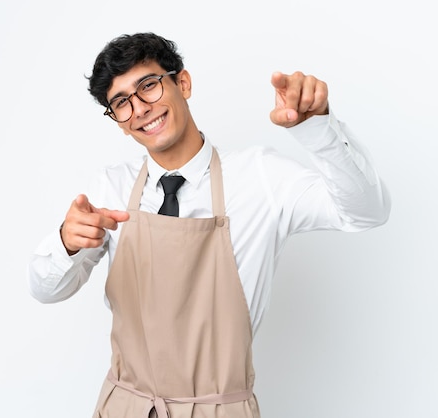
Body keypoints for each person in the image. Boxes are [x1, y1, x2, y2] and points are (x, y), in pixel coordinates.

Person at [27, 32, 390, 418]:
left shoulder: (259, 177)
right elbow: (46, 290)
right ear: (118, 121)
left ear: (182, 82)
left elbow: (366, 212)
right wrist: (66, 243)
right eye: (121, 103)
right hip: (123, 407)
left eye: (148, 86)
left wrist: (319, 129)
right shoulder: (110, 187)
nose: (140, 109)